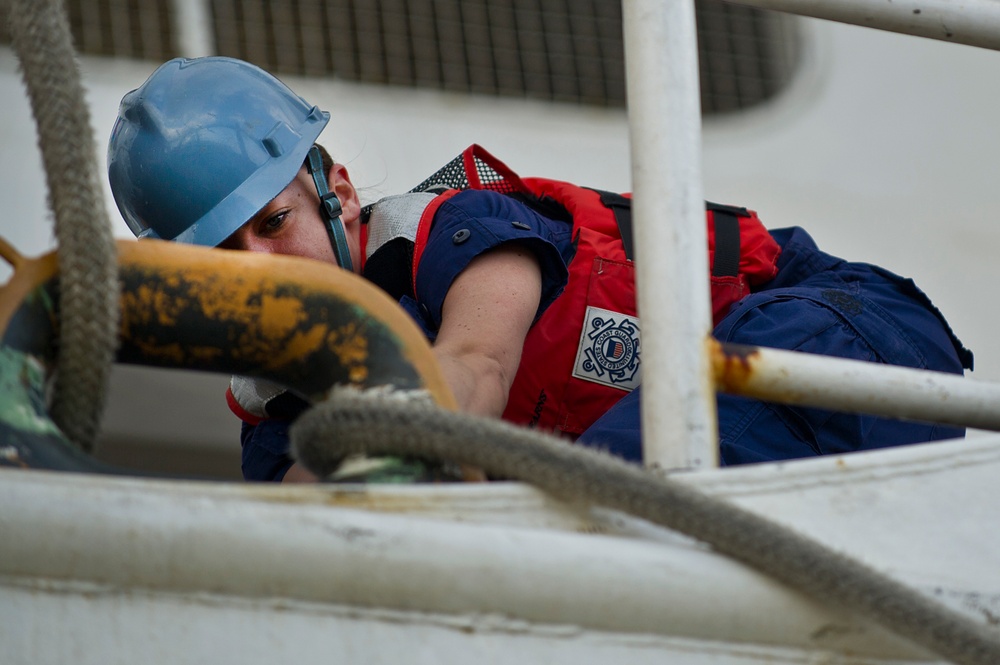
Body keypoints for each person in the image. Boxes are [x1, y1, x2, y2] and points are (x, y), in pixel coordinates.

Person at [107, 57, 973, 482]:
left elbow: (473, 369)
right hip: (725, 439)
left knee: (595, 487)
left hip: (828, 327)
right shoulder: (272, 429)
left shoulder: (456, 232)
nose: (258, 269)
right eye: (219, 258)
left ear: (337, 191)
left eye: (273, 222)